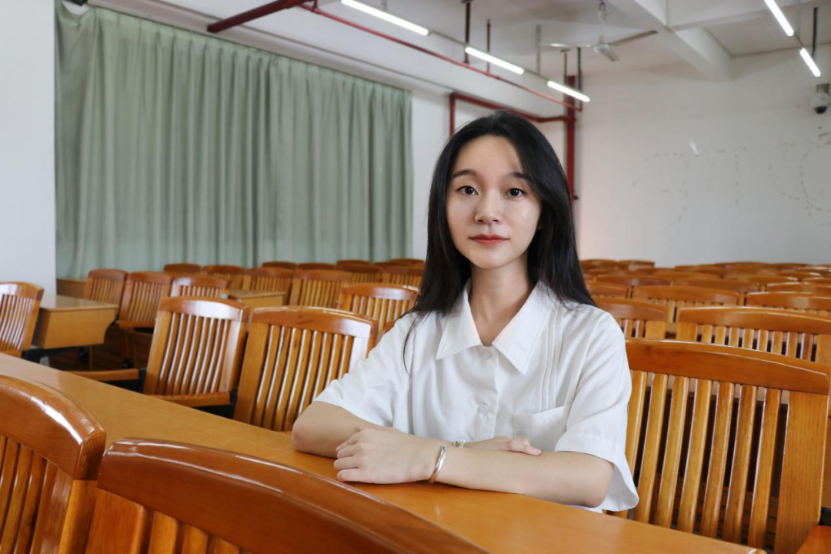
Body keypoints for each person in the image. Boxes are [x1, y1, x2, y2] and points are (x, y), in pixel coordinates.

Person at [292, 110, 638, 512]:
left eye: (514, 192)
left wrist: (427, 458)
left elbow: (588, 479)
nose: (487, 212)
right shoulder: (418, 330)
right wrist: (460, 451)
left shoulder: (592, 334)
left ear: (545, 210)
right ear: (443, 205)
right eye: (467, 189)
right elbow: (312, 426)